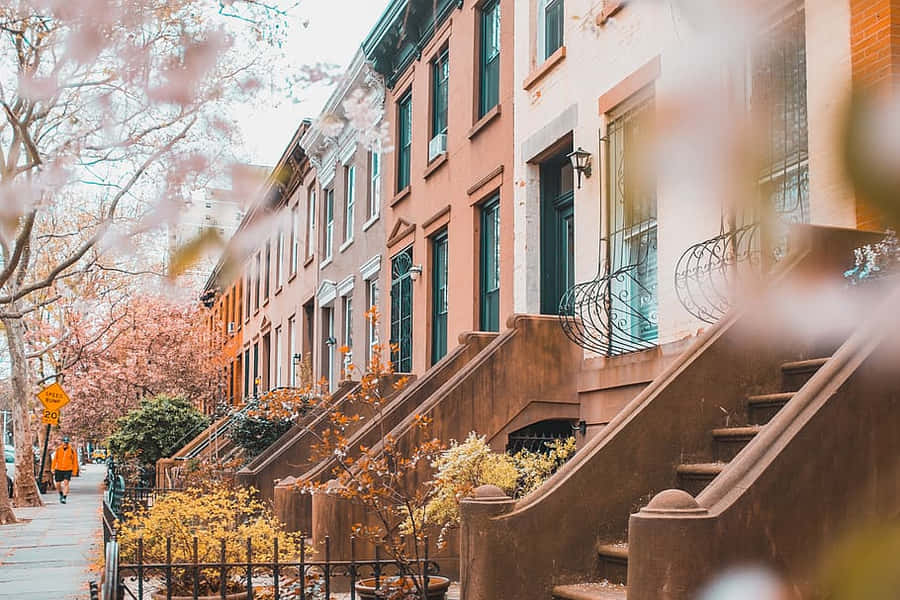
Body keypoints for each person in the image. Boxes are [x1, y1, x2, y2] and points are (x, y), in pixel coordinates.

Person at [51, 436, 78, 503]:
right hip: (59, 469)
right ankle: (61, 494)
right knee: (58, 484)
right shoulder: (58, 449)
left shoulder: (72, 450)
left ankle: (64, 497)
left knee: (66, 483)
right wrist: (53, 468)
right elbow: (55, 459)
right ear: (62, 442)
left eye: (67, 442)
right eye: (64, 442)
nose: (65, 444)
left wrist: (74, 471)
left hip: (68, 469)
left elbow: (75, 461)